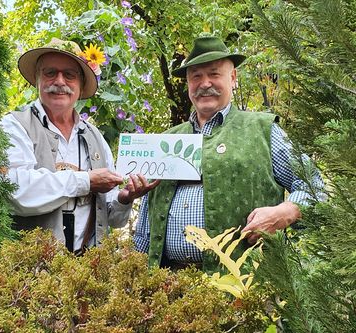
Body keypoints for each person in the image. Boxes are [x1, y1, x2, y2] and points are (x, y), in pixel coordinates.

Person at [134, 34, 324, 273]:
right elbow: (146, 219)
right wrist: (137, 275)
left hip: (245, 288)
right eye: (196, 77)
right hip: (170, 287)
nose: (205, 83)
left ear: (232, 78)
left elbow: (314, 186)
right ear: (188, 84)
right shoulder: (167, 140)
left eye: (214, 74)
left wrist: (284, 212)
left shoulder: (263, 130)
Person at [0, 38, 158, 254]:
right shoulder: (14, 125)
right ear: (37, 79)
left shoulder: (96, 138)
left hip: (87, 270)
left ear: (81, 85)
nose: (59, 81)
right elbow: (15, 191)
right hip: (30, 271)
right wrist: (86, 181)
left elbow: (111, 218)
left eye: (69, 75)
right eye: (50, 73)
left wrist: (124, 199)